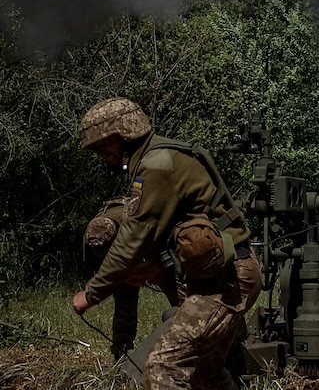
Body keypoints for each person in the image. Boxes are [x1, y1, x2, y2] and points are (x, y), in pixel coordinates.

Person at [72, 97, 262, 389]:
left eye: (102, 145)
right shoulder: (158, 158)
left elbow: (133, 240)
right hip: (225, 274)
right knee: (206, 371)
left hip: (227, 278)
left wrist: (92, 294)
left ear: (123, 134)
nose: (102, 155)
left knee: (162, 367)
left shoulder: (157, 165)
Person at [83, 198, 180, 361]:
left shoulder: (137, 222)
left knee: (180, 297)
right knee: (124, 300)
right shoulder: (92, 236)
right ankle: (121, 353)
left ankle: (193, 338)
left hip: (156, 249)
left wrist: (146, 269)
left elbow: (160, 243)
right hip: (127, 254)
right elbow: (96, 269)